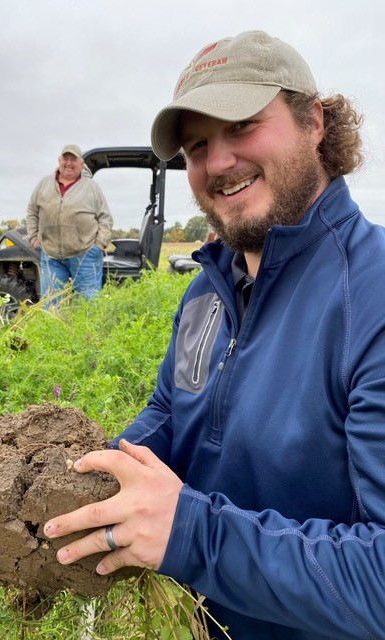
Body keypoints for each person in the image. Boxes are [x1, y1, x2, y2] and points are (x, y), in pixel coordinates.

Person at [43, 31, 385, 639]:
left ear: (315, 121)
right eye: (198, 145)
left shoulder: (374, 294)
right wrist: (89, 477)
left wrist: (191, 535)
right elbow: (173, 415)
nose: (218, 162)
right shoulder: (208, 288)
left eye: (243, 125)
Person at [26, 144, 113, 304]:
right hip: (51, 256)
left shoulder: (91, 188)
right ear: (59, 160)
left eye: (74, 159)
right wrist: (33, 238)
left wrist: (98, 246)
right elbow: (32, 212)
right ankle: (54, 329)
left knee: (89, 306)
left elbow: (105, 219)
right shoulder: (44, 184)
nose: (69, 163)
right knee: (51, 306)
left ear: (81, 163)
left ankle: (88, 330)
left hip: (85, 255)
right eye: (66, 158)